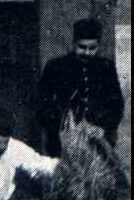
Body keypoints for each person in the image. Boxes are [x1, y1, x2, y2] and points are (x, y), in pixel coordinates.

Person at [36, 17, 126, 157]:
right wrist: (64, 127)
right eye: (82, 47)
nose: (87, 53)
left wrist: (103, 127)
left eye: (92, 48)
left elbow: (116, 105)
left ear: (98, 46)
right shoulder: (55, 67)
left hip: (99, 143)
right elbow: (42, 105)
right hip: (62, 144)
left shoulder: (106, 67)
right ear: (73, 44)